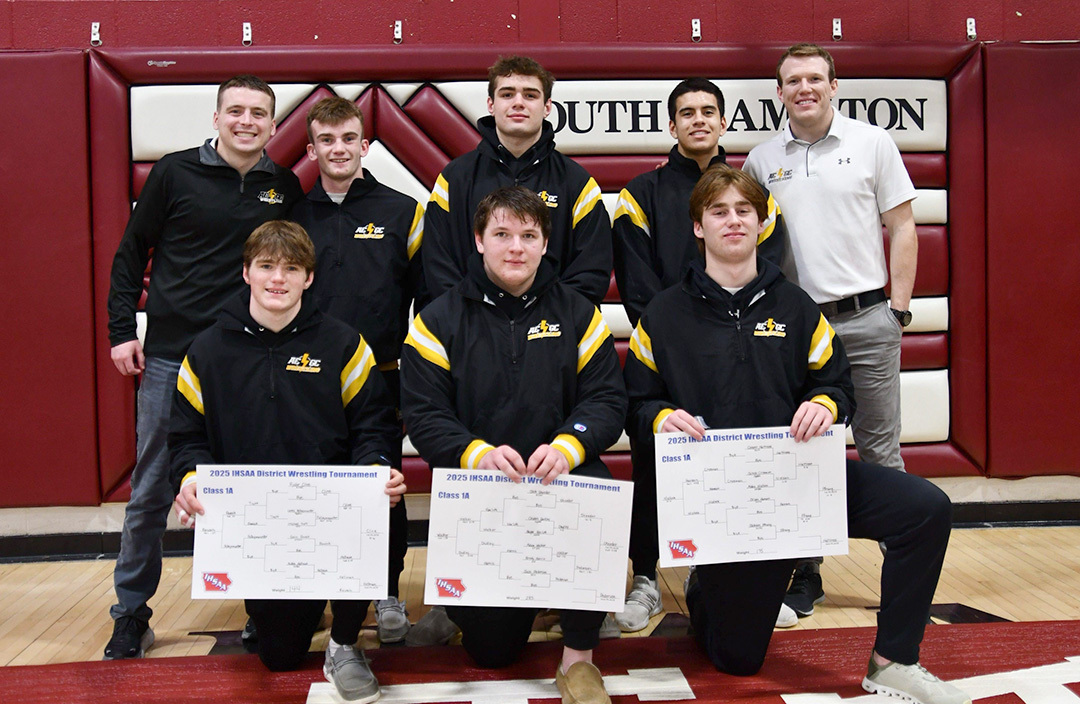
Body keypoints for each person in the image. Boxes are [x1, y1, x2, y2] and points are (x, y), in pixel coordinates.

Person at [624, 165, 968, 704]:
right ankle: (707, 586)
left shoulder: (797, 307)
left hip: (799, 483)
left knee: (925, 508)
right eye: (719, 211)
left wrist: (824, 404)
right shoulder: (662, 316)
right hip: (724, 506)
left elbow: (838, 385)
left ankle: (894, 661)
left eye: (745, 211)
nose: (733, 220)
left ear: (762, 223)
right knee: (738, 659)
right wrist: (660, 417)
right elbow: (635, 403)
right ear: (698, 226)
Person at [401, 187, 627, 704]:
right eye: (502, 234)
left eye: (529, 235)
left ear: (546, 243)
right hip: (484, 489)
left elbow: (606, 401)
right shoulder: (436, 320)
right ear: (479, 240)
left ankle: (579, 656)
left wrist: (570, 446)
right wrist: (474, 453)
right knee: (492, 652)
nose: (516, 247)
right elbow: (424, 416)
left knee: (596, 482)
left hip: (561, 480)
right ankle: (498, 602)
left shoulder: (579, 314)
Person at [104, 75, 303, 660]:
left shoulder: (283, 186)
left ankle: (260, 609)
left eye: (258, 113)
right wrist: (122, 331)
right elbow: (129, 255)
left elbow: (290, 268)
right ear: (216, 118)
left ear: (273, 125)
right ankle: (130, 613)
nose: (246, 121)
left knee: (252, 485)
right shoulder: (174, 173)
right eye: (235, 110)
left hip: (246, 359)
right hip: (171, 354)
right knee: (151, 490)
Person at [170, 221, 404, 703]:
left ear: (309, 278)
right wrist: (191, 478)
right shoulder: (207, 351)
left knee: (380, 500)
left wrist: (376, 468)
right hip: (259, 521)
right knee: (279, 656)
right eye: (267, 266)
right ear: (246, 272)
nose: (278, 279)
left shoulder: (344, 344)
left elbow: (374, 425)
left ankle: (343, 642)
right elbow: (186, 437)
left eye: (292, 269)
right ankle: (291, 609)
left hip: (334, 513)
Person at [744, 43, 919, 617]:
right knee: (802, 453)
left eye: (815, 78)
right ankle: (805, 575)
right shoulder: (761, 160)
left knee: (880, 452)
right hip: (796, 330)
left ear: (834, 85)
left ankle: (904, 581)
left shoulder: (873, 143)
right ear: (779, 92)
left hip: (868, 320)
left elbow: (903, 227)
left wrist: (897, 311)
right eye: (793, 80)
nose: (805, 88)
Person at [611, 78, 791, 632]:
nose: (698, 120)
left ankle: (717, 572)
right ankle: (646, 576)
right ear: (672, 125)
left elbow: (769, 270)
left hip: (741, 352)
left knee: (736, 461)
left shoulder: (753, 194)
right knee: (652, 461)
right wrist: (679, 339)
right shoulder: (640, 194)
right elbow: (636, 282)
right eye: (686, 112)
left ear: (722, 122)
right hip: (667, 354)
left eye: (708, 111)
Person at [290, 96, 425, 644]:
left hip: (383, 378)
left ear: (365, 145)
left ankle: (387, 591)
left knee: (382, 487)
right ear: (311, 150)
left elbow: (430, 306)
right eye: (326, 140)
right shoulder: (292, 216)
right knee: (313, 485)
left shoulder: (403, 211)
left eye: (349, 138)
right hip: (305, 377)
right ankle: (309, 587)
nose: (338, 149)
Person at [423, 55, 612, 306]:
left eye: (530, 95)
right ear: (491, 104)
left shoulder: (577, 183)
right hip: (468, 326)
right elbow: (437, 266)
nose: (519, 103)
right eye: (507, 94)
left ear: (547, 107)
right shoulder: (454, 178)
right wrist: (471, 318)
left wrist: (548, 320)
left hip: (553, 327)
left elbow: (591, 272)